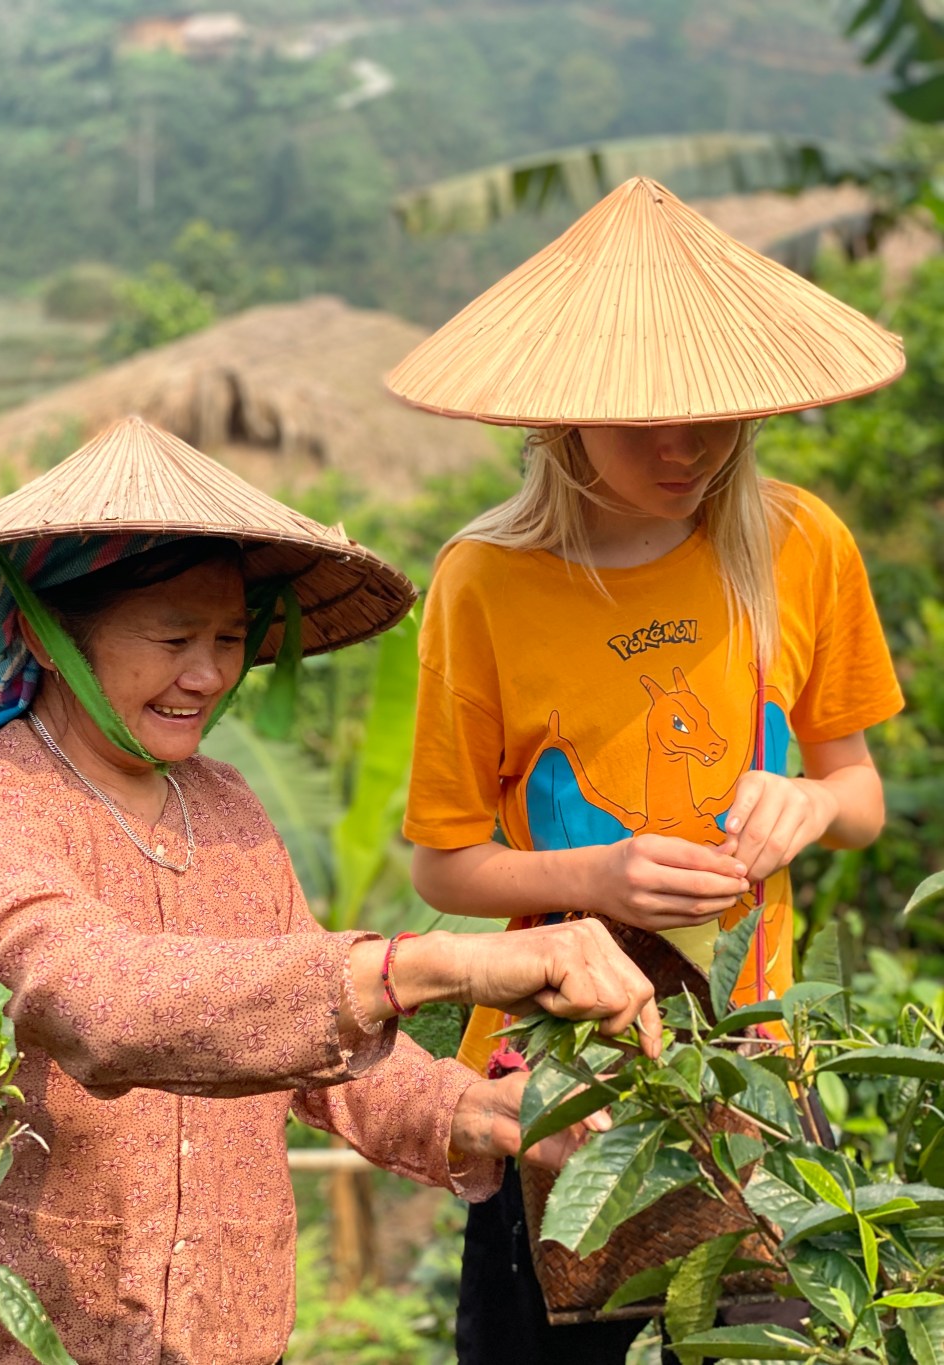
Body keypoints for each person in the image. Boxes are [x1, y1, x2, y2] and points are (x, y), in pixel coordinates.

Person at [0, 416, 662, 1365]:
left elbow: (315, 1049)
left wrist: (479, 1114)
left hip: (236, 1336)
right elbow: (89, 999)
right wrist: (436, 966)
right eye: (173, 636)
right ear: (50, 631)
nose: (209, 672)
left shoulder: (227, 807)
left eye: (230, 636)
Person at [385, 177, 906, 1362]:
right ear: (562, 418)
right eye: (639, 424)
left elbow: (862, 799)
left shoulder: (800, 542)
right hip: (562, 1078)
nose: (681, 452)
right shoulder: (487, 582)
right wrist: (604, 879)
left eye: (707, 420)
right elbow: (445, 865)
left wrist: (810, 800)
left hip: (758, 1061)